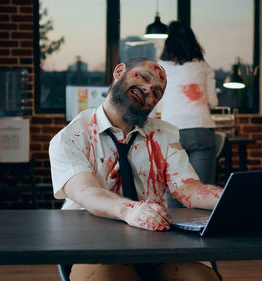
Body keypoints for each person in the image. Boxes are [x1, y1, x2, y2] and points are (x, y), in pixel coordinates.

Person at [49, 57, 223, 281]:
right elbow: (86, 192)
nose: (149, 89)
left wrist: (234, 199)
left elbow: (187, 188)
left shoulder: (164, 134)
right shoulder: (71, 137)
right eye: (144, 77)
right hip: (95, 245)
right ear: (119, 71)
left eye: (157, 93)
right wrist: (130, 210)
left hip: (157, 242)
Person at [158, 21, 219, 190]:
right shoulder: (204, 67)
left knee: (175, 193)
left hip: (170, 132)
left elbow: (155, 103)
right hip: (200, 130)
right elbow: (213, 102)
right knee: (202, 191)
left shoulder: (160, 69)